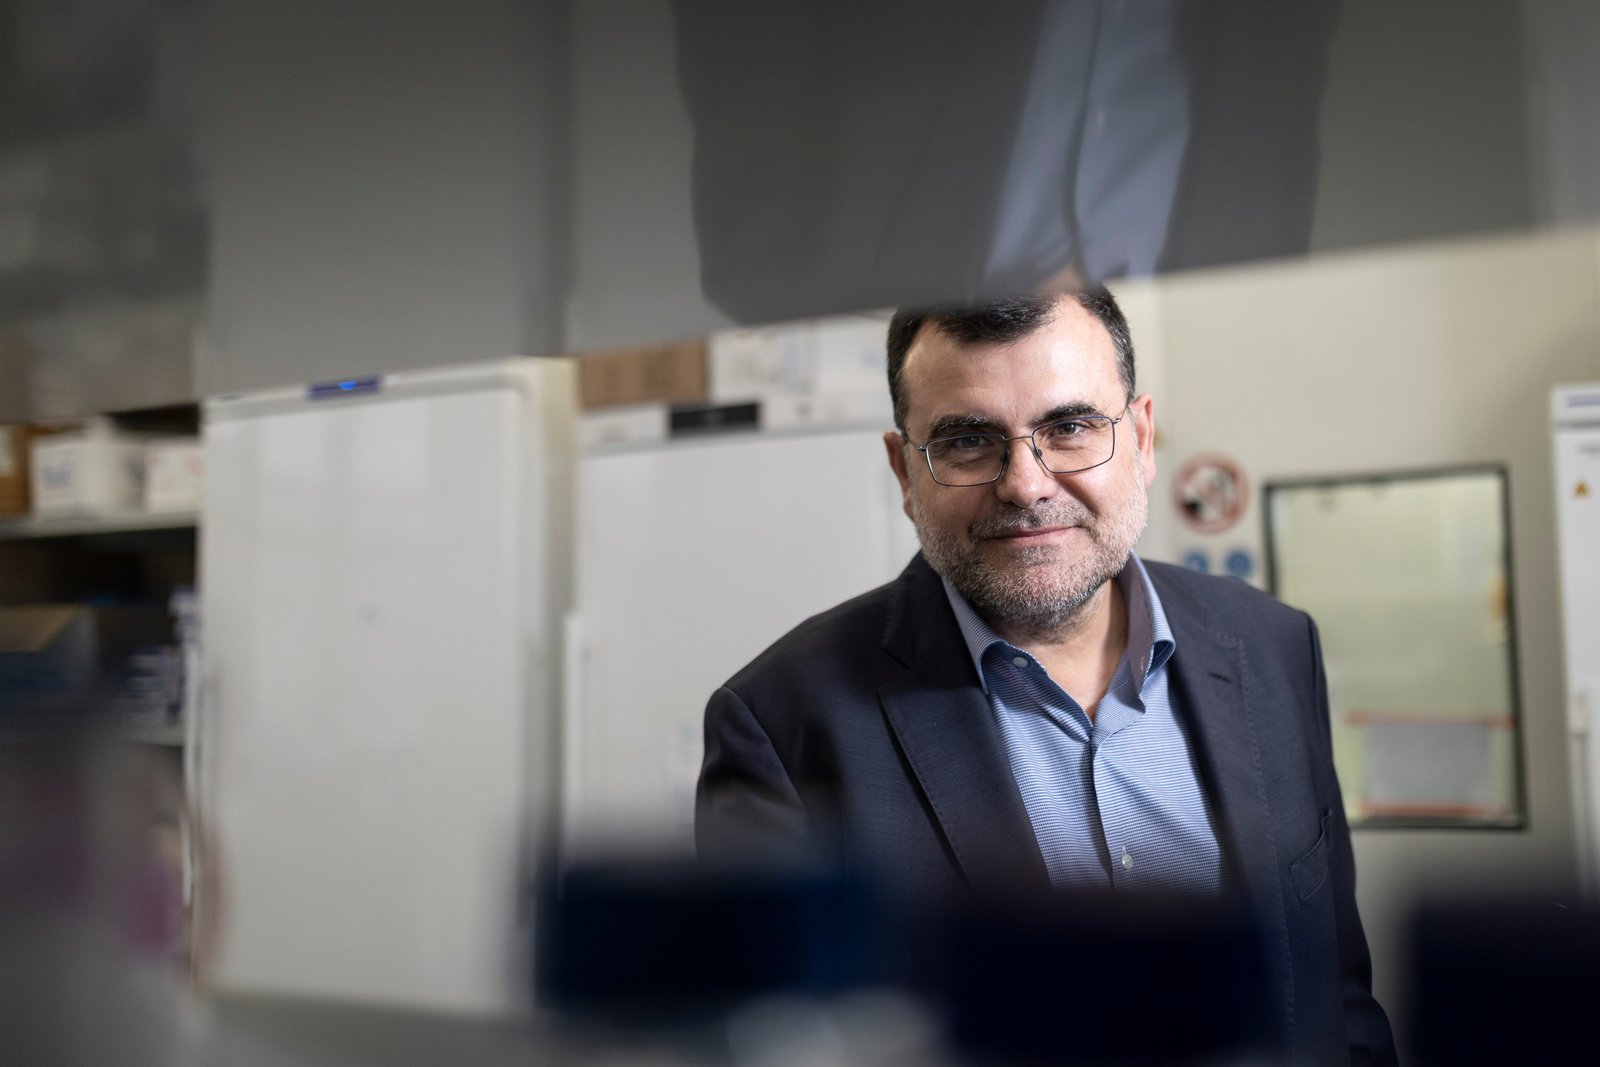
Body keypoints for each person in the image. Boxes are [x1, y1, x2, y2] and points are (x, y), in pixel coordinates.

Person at [696, 286, 1396, 1064]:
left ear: (1141, 437)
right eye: (968, 440)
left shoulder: (1272, 647)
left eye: (1069, 428)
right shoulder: (779, 725)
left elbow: (1339, 1000)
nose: (1026, 485)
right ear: (904, 470)